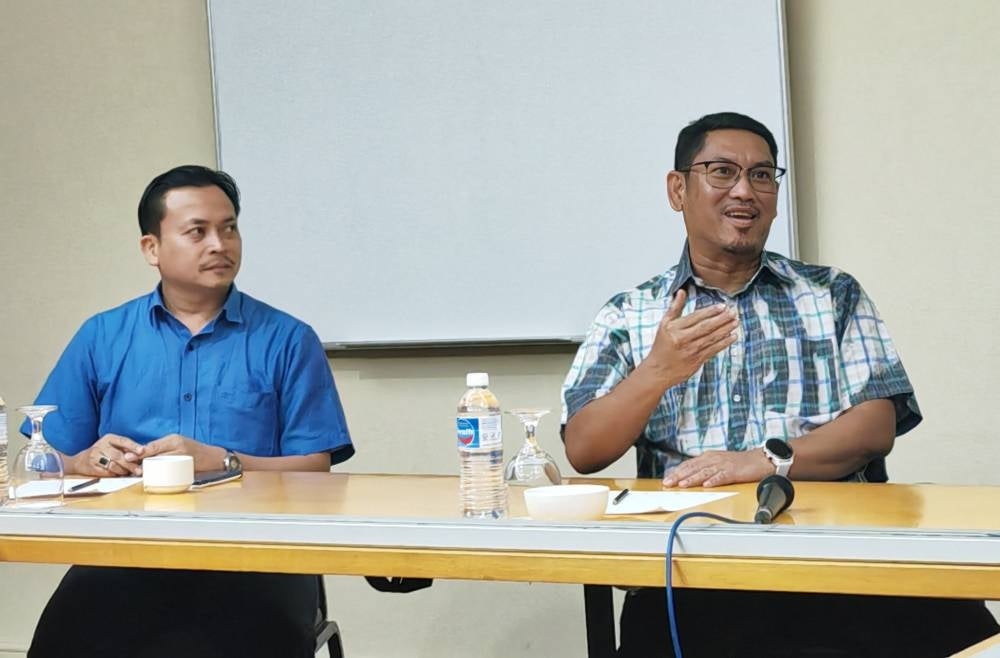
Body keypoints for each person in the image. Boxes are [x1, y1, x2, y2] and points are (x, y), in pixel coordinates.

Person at [560, 112, 999, 657]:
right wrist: (658, 371)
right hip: (695, 569)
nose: (745, 190)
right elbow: (584, 449)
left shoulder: (832, 294)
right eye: (721, 172)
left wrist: (767, 460)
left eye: (763, 175)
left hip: (839, 560)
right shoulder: (631, 314)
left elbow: (875, 426)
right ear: (679, 189)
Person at [24, 165, 353, 658]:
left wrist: (225, 462)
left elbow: (316, 467)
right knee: (62, 642)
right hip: (125, 554)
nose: (219, 244)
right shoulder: (102, 335)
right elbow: (42, 455)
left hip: (255, 556)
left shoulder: (287, 339)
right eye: (197, 231)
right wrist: (82, 461)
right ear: (151, 248)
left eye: (229, 228)